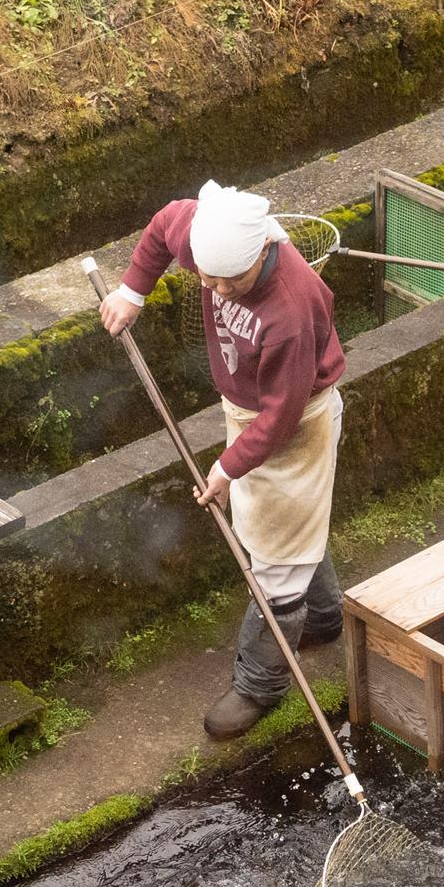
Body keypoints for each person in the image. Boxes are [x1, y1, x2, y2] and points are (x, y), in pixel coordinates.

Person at [99, 181, 347, 739]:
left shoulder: (293, 308)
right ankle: (326, 619)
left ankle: (261, 683)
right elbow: (165, 222)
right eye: (205, 276)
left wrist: (227, 467)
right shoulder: (211, 236)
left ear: (260, 255)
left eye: (226, 282)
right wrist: (133, 291)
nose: (211, 288)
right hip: (246, 406)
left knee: (277, 560)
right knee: (291, 525)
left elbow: (281, 418)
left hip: (297, 421)